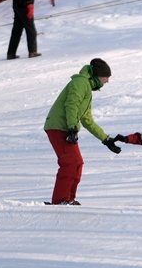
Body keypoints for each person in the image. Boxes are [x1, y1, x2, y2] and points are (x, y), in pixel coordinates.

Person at [43, 58, 121, 205]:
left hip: (66, 127)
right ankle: (60, 200)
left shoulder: (86, 88)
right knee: (69, 163)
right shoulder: (80, 83)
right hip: (59, 127)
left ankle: (69, 198)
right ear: (98, 76)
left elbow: (87, 119)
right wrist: (72, 127)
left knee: (77, 163)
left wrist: (106, 139)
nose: (107, 81)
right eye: (106, 77)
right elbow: (71, 105)